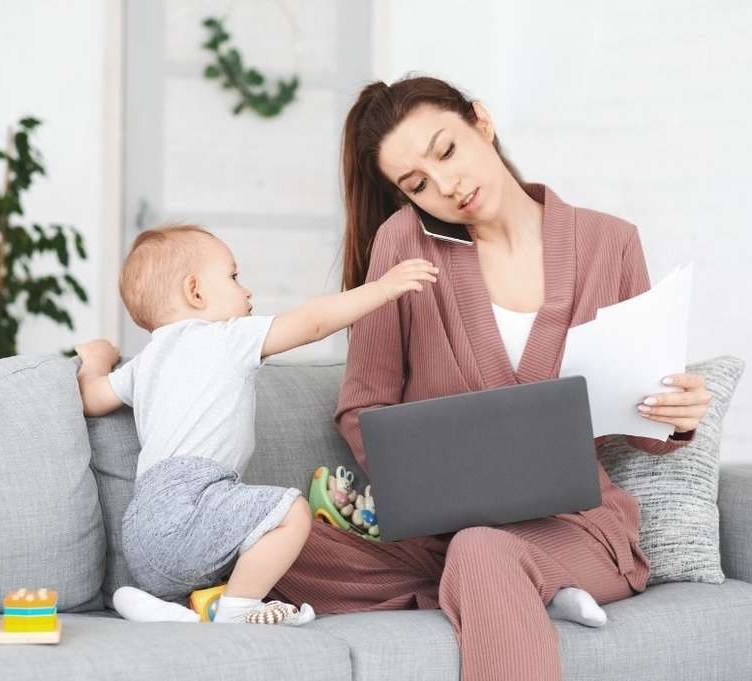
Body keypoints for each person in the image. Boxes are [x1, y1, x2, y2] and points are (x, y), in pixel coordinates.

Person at [266, 76, 711, 681]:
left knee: (483, 551)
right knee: (262, 543)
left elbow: (638, 420)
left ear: (480, 121)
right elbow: (361, 406)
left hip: (572, 527)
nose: (446, 186)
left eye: (446, 150)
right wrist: (429, 483)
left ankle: (499, 579)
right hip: (436, 532)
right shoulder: (402, 245)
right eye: (417, 184)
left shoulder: (610, 243)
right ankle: (507, 591)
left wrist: (674, 415)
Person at [73, 223, 438, 625]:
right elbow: (312, 322)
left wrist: (96, 358)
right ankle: (238, 607)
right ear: (195, 292)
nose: (246, 290)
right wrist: (383, 288)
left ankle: (161, 606)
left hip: (142, 530)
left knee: (231, 546)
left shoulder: (144, 364)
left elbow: (91, 399)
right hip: (193, 507)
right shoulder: (227, 337)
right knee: (290, 512)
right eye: (233, 277)